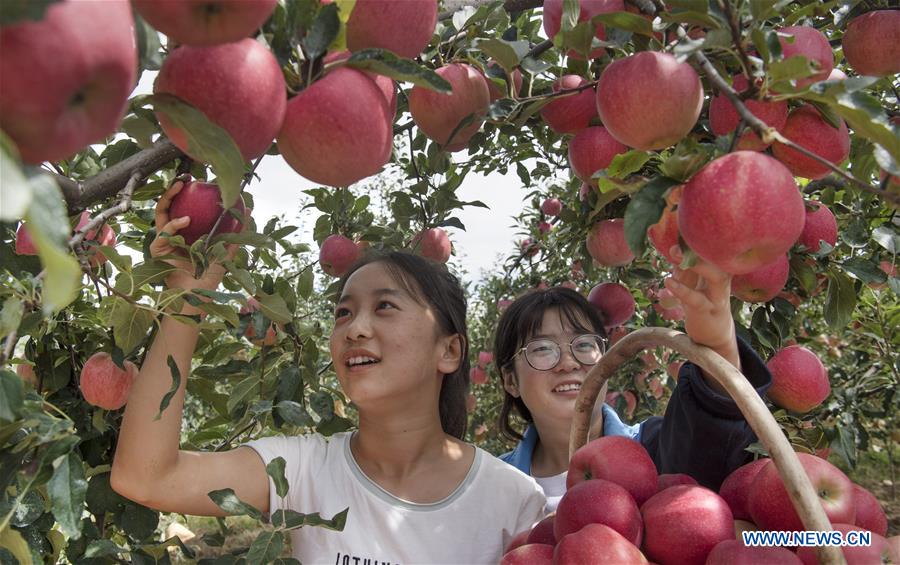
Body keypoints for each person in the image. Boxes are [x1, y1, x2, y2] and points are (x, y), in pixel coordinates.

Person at [111, 181, 545, 564]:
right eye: (343, 312)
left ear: (449, 350)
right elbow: (146, 475)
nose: (354, 328)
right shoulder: (302, 469)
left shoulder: (513, 503)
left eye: (385, 306)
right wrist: (188, 295)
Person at [495, 247, 773, 512]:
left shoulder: (650, 449)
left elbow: (705, 438)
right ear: (510, 380)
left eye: (583, 344)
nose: (568, 363)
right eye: (542, 349)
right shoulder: (492, 488)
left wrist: (717, 343)